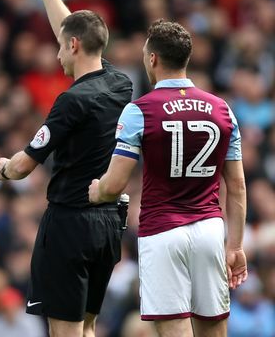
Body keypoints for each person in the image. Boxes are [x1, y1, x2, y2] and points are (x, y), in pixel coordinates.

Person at [0, 0, 133, 337]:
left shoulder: (70, 101)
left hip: (70, 223)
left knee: (65, 333)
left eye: (60, 45)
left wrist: (2, 169)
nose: (55, 53)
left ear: (72, 47)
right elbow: (71, 30)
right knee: (87, 328)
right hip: (108, 224)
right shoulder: (121, 84)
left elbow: (23, 167)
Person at [88, 20, 248, 337]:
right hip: (209, 231)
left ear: (152, 59)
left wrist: (97, 191)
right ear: (185, 59)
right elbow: (238, 186)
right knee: (214, 329)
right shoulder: (222, 110)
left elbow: (114, 184)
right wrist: (236, 245)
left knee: (174, 329)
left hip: (161, 232)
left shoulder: (140, 110)